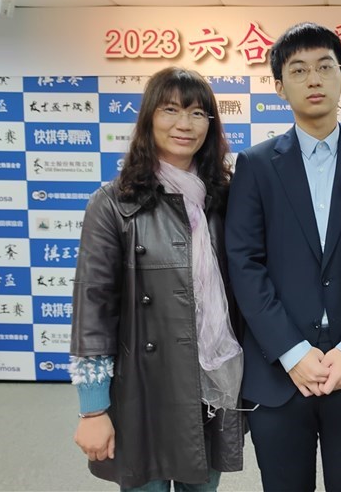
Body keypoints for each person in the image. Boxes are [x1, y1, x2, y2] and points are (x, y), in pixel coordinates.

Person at [225, 22, 341, 491]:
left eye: (326, 67)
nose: (315, 79)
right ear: (280, 87)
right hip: (280, 373)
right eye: (298, 70)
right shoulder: (257, 165)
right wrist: (292, 351)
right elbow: (244, 263)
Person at [69, 67, 245, 492]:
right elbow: (93, 307)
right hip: (143, 387)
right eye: (171, 110)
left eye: (198, 113)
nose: (185, 124)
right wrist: (92, 411)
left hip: (213, 380)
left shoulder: (226, 197)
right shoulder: (113, 203)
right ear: (148, 118)